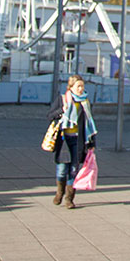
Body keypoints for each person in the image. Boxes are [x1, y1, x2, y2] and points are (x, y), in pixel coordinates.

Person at [48, 75, 97, 209]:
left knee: (74, 170)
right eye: (78, 86)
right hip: (64, 140)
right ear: (71, 87)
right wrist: (61, 111)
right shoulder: (63, 100)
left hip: (78, 140)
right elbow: (50, 115)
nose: (81, 89)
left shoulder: (85, 103)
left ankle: (69, 199)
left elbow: (89, 123)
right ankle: (60, 192)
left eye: (82, 86)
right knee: (62, 170)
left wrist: (92, 143)